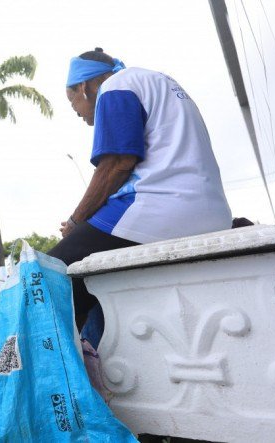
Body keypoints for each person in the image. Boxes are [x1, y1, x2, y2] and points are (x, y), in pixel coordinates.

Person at [48, 48, 232, 339]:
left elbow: (117, 165)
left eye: (74, 104)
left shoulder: (115, 85)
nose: (79, 113)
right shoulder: (160, 81)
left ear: (84, 87)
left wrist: (74, 222)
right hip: (214, 212)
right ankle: (95, 353)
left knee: (49, 274)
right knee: (94, 278)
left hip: (161, 209)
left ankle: (60, 367)